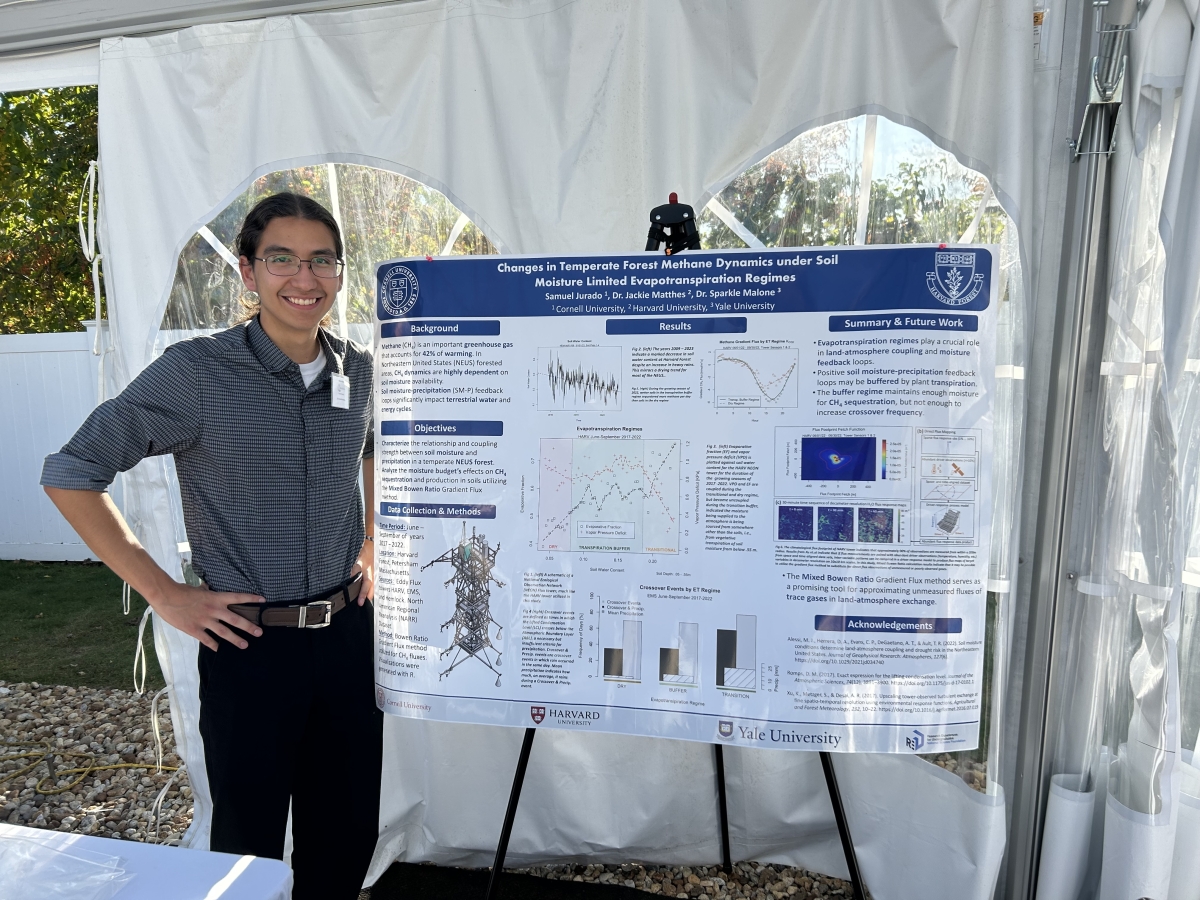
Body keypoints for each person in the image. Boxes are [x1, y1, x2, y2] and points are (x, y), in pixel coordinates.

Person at [41, 192, 381, 900]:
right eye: (281, 259)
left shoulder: (360, 370)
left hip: (351, 639)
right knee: (248, 848)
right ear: (248, 273)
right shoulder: (196, 374)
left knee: (345, 834)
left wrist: (374, 542)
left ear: (340, 273)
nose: (304, 277)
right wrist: (164, 592)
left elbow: (375, 451)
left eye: (322, 260)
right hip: (250, 648)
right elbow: (72, 472)